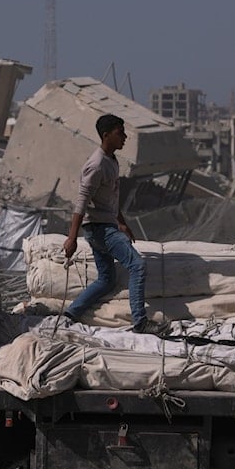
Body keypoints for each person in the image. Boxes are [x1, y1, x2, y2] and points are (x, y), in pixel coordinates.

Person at [61, 113, 169, 336]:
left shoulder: (112, 161)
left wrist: (121, 222)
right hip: (100, 229)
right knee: (137, 265)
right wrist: (71, 238)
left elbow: (110, 198)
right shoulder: (97, 164)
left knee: (107, 280)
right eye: (120, 133)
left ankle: (71, 313)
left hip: (106, 225)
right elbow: (81, 201)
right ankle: (140, 322)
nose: (125, 137)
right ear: (106, 135)